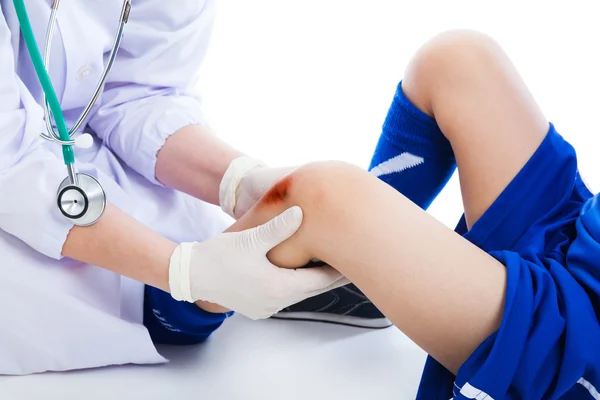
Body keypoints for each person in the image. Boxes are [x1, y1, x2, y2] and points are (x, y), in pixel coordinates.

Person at [209, 30, 600, 399]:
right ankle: (356, 280)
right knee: (456, 61)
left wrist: (173, 270)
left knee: (323, 197)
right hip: (585, 242)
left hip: (576, 338)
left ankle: (180, 307)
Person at [0, 0, 360, 375]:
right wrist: (182, 273)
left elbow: (141, 93)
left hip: (69, 165)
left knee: (206, 241)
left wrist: (237, 179)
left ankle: (200, 286)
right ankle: (178, 297)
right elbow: (8, 160)